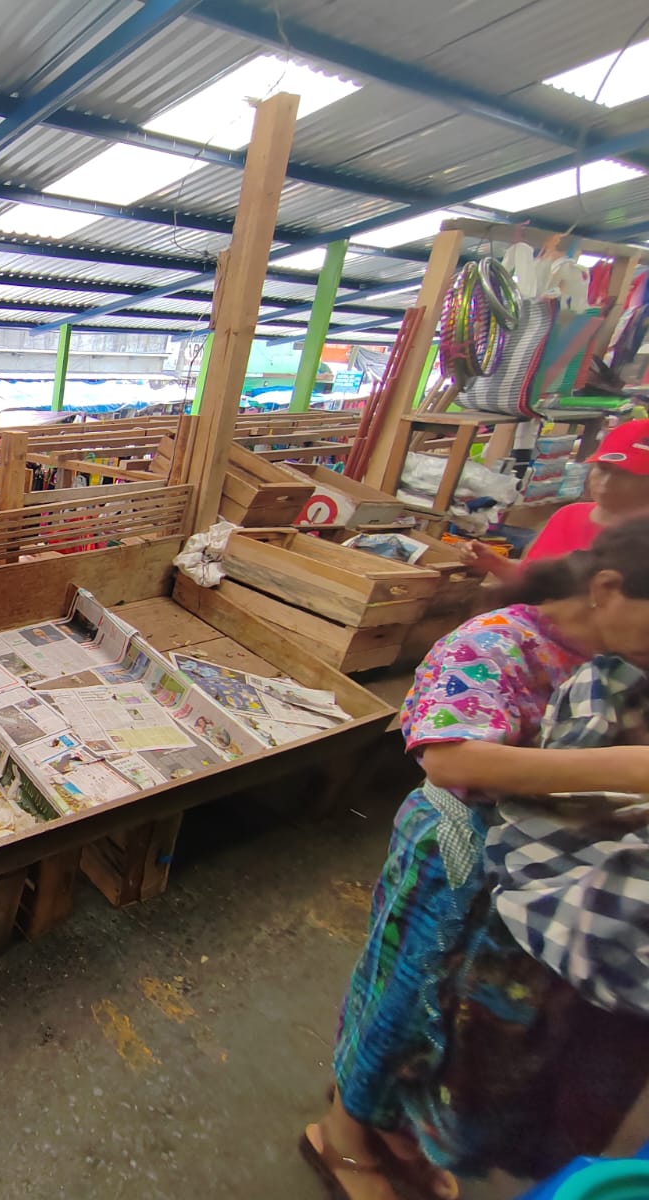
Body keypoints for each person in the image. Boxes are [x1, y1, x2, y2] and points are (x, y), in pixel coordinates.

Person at [304, 517, 649, 1200]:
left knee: (456, 1037)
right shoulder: (494, 643)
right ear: (608, 588)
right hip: (453, 858)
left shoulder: (614, 661)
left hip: (535, 879)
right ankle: (340, 1139)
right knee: (401, 1003)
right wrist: (630, 771)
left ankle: (402, 1136)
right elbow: (448, 757)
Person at [462, 418, 649, 581]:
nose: (607, 482)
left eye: (626, 474)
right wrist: (494, 562)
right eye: (603, 469)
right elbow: (536, 580)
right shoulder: (569, 515)